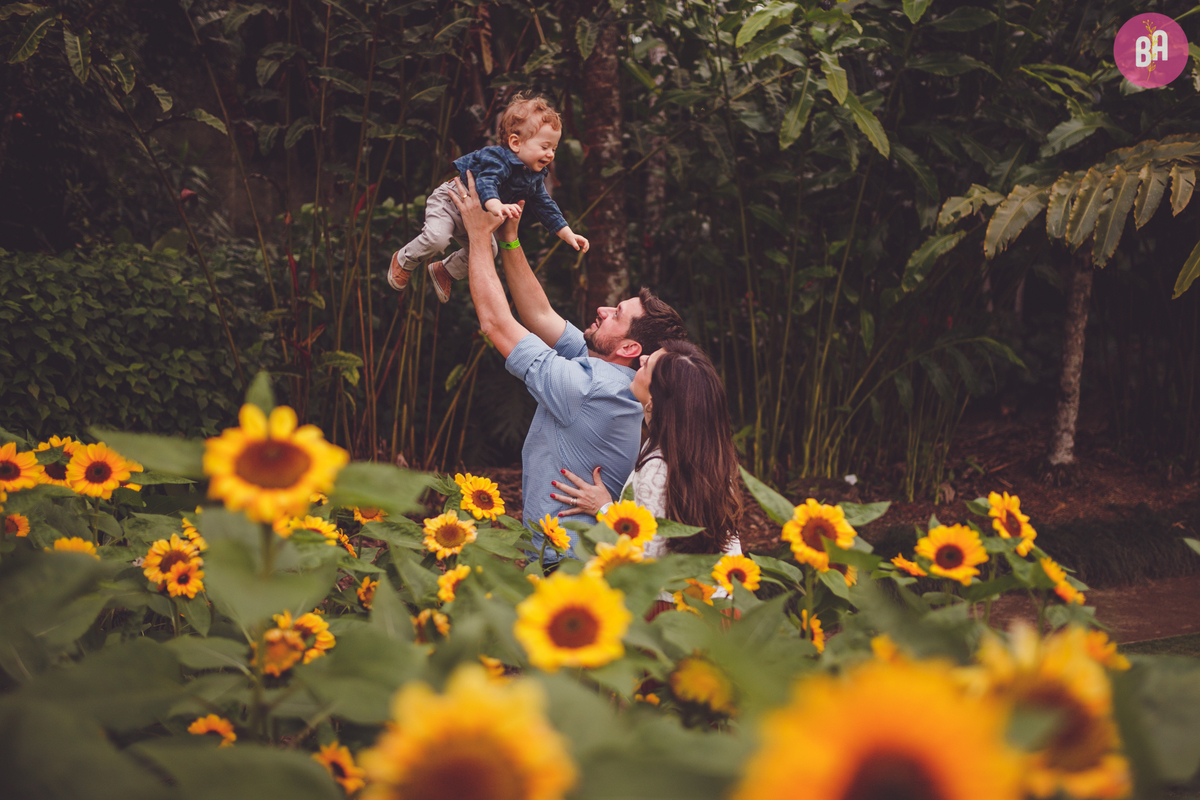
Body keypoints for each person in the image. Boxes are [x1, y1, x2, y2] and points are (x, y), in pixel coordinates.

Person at [446, 172, 689, 567]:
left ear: (629, 347)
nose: (602, 310)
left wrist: (477, 235)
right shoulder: (610, 370)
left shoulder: (592, 387)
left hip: (564, 566)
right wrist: (508, 238)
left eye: (616, 314)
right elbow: (539, 314)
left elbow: (496, 323)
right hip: (563, 556)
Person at [549, 339, 743, 605]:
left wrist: (604, 509)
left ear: (653, 400)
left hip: (672, 610)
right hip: (722, 602)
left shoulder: (658, 467)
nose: (642, 357)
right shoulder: (711, 455)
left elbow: (642, 558)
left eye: (648, 363)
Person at [388, 93, 589, 303]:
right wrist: (495, 204)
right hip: (451, 202)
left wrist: (567, 233)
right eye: (545, 147)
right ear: (515, 142)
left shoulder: (533, 177)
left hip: (475, 217)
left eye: (554, 149)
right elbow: (486, 182)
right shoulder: (498, 159)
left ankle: (444, 271)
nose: (550, 154)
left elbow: (546, 206)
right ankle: (404, 259)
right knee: (438, 239)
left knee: (488, 251)